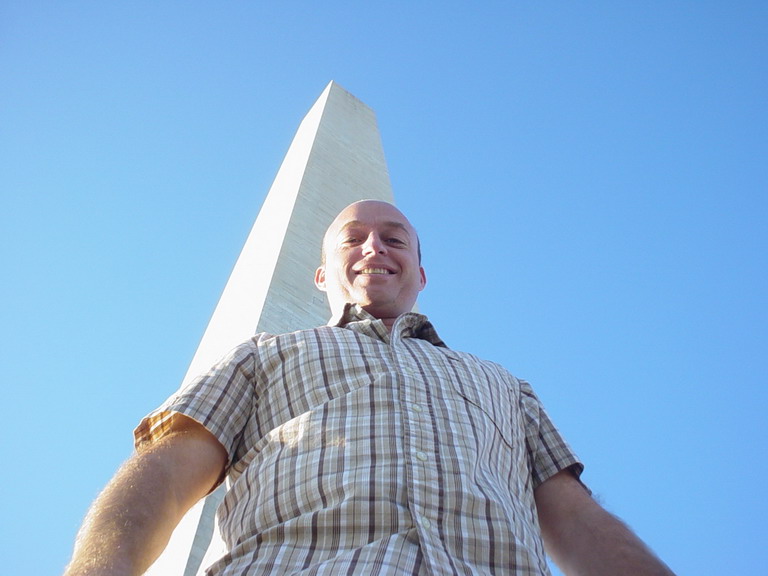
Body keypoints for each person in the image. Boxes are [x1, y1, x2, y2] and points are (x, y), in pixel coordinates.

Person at [64, 200, 675, 576]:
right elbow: (165, 474)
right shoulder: (261, 355)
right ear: (324, 272)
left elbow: (576, 521)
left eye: (394, 238)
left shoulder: (506, 386)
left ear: (421, 273)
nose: (374, 247)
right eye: (353, 238)